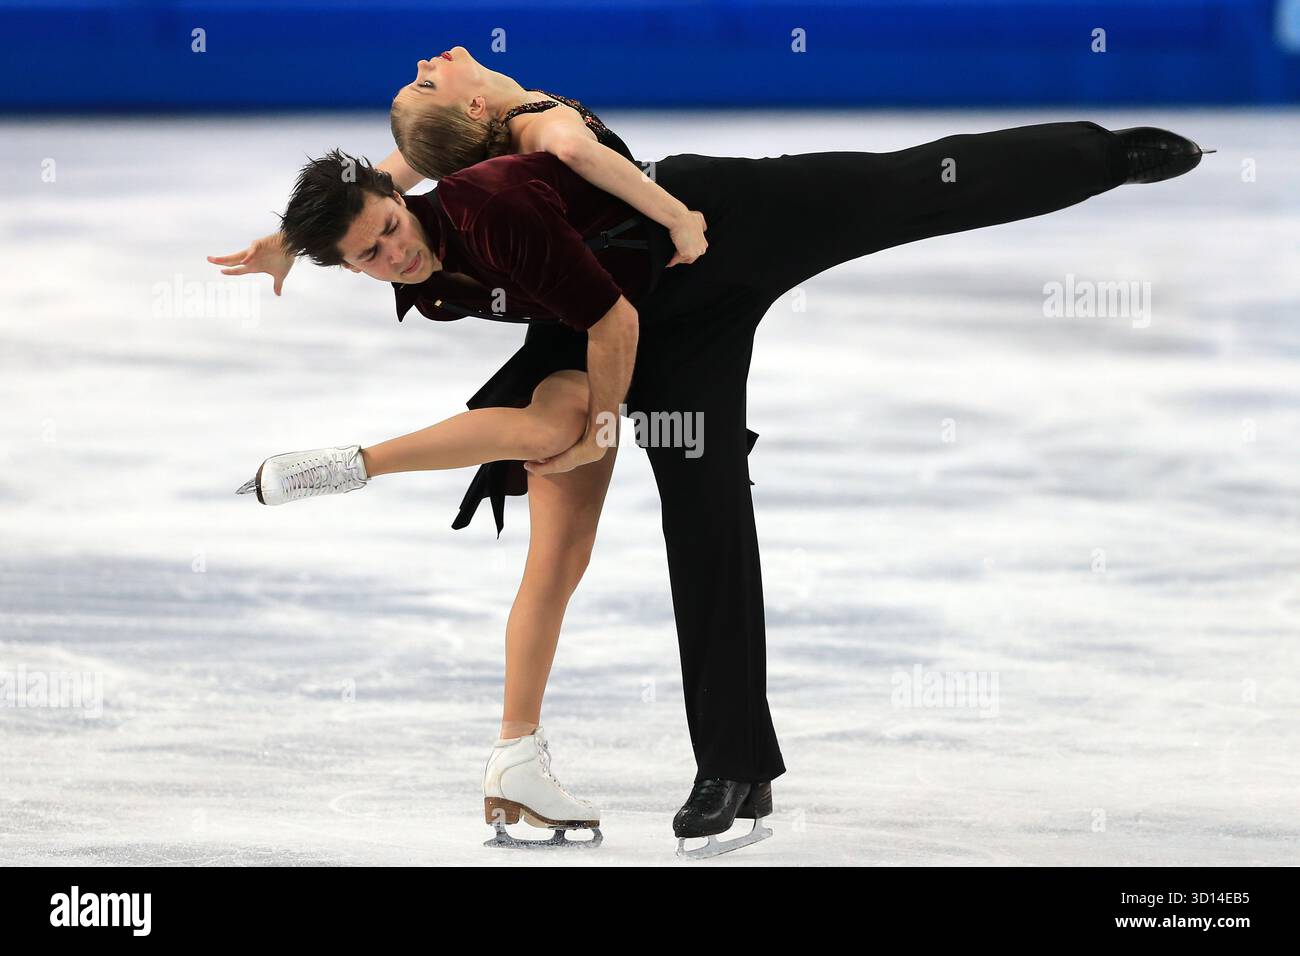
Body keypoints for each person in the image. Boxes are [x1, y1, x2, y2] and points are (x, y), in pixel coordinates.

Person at [233, 122, 1210, 857]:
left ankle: (1102, 154)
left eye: (390, 227)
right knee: (702, 519)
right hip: (646, 330)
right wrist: (290, 240)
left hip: (719, 232)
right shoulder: (427, 282)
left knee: (905, 186)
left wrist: (601, 430)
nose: (392, 252)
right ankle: (733, 770)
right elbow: (584, 319)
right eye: (368, 254)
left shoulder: (488, 199)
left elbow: (604, 317)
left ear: (406, 196)